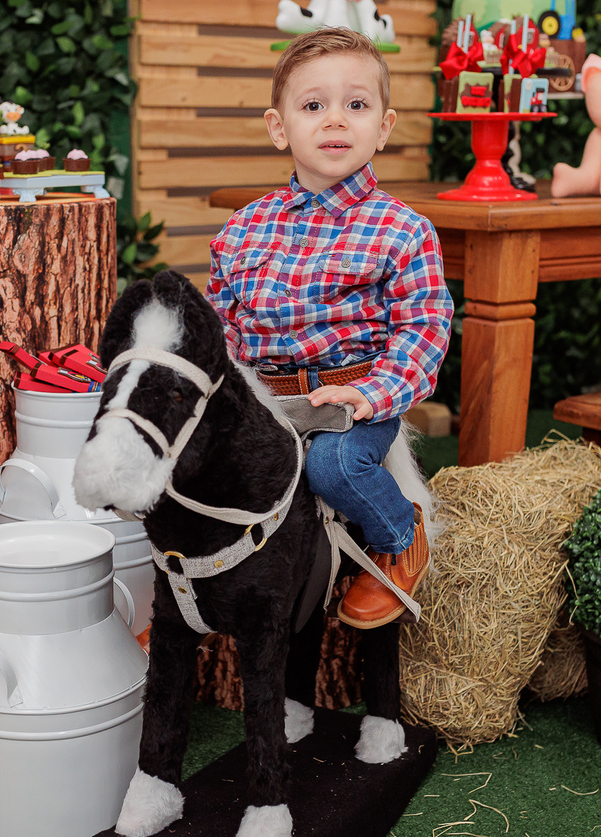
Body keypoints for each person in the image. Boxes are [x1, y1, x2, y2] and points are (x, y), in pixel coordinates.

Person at [206, 27, 455, 630]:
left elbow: (424, 327)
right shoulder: (242, 229)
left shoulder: (402, 229)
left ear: (384, 127)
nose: (335, 120)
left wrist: (374, 393)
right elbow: (224, 325)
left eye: (356, 104)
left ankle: (400, 536)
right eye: (314, 105)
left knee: (333, 468)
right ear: (279, 128)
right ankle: (191, 592)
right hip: (267, 399)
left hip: (351, 401)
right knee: (196, 468)